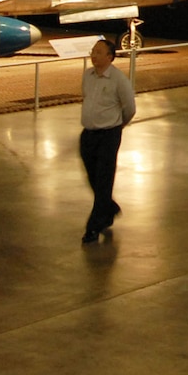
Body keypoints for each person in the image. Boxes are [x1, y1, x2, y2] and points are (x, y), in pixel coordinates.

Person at [78, 37, 137, 245]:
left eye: (98, 52)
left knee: (103, 180)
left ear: (110, 57)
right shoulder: (88, 76)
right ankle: (109, 208)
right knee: (93, 178)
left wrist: (116, 126)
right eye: (93, 51)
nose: (93, 55)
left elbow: (129, 108)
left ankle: (93, 227)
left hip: (108, 135)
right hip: (88, 135)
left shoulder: (119, 80)